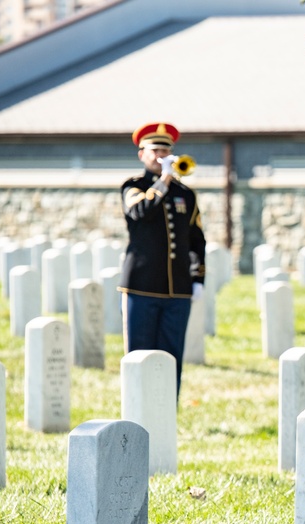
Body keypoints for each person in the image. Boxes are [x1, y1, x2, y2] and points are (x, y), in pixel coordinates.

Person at [120, 122, 206, 399]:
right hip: (141, 287)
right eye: (155, 150)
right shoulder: (133, 187)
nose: (161, 156)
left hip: (178, 289)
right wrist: (164, 181)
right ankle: (136, 409)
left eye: (166, 150)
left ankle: (167, 412)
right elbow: (140, 212)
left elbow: (196, 240)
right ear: (141, 154)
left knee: (172, 356)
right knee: (139, 354)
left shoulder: (186, 194)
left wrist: (198, 278)